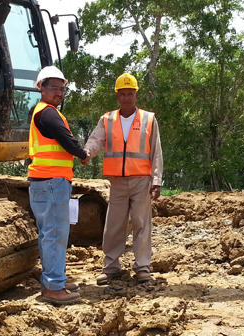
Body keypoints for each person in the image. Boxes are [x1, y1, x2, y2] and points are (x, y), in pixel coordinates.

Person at [82, 73, 163, 285]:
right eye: (123, 94)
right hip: (117, 181)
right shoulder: (107, 119)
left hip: (141, 180)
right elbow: (96, 140)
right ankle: (111, 266)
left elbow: (156, 151)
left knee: (141, 223)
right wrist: (88, 152)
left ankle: (142, 267)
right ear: (117, 96)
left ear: (136, 95)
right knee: (114, 224)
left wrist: (157, 180)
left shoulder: (148, 119)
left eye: (130, 94)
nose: (127, 97)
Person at [28, 66, 89, 304]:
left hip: (45, 181)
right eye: (53, 88)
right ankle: (53, 287)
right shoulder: (48, 113)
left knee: (49, 234)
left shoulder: (43, 112)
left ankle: (55, 280)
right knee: (55, 234)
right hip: (52, 182)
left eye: (62, 89)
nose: (59, 92)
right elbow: (66, 139)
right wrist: (82, 153)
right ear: (41, 88)